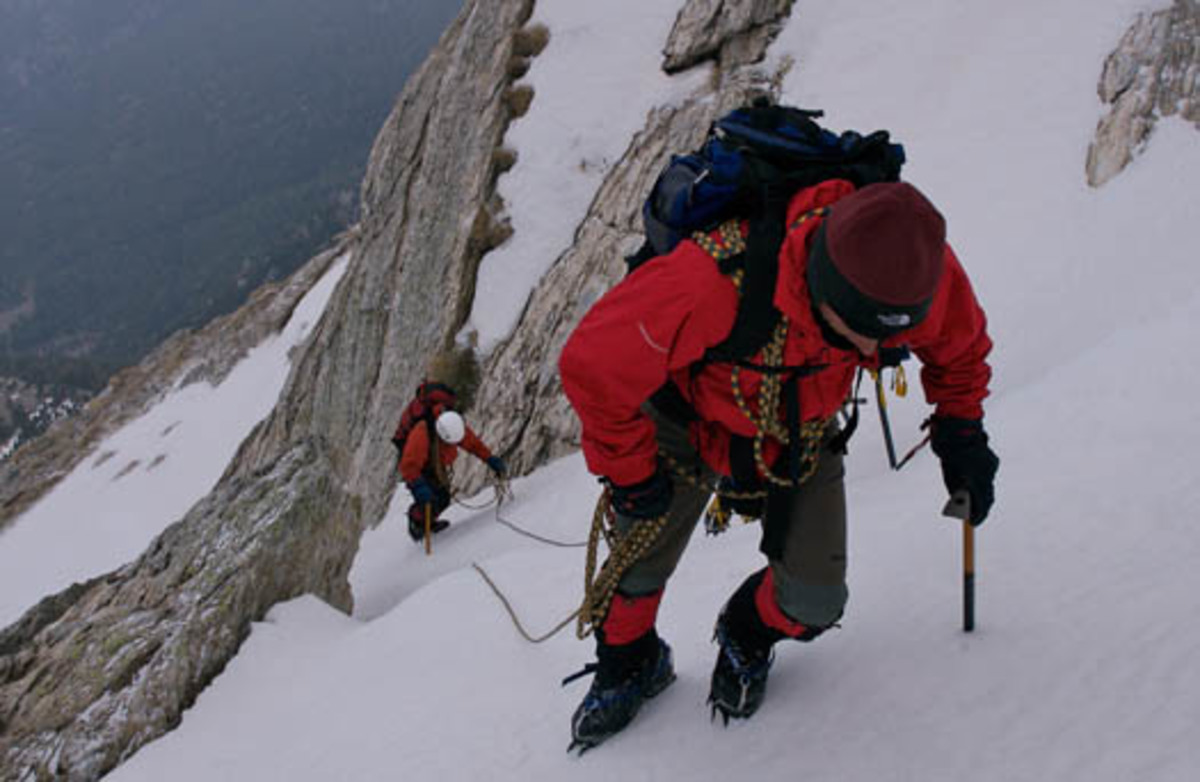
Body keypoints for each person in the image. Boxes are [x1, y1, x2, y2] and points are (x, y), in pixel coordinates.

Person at [558, 178, 998, 749]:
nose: (870, 356)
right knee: (635, 571)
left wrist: (961, 432)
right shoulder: (712, 281)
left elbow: (959, 347)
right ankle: (631, 661)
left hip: (800, 427)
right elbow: (593, 365)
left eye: (885, 341)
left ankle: (746, 630)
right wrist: (632, 474)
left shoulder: (914, 269)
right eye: (858, 335)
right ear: (823, 290)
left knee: (815, 600)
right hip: (687, 419)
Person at [398, 406, 506, 542]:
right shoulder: (422, 433)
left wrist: (490, 459)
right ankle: (417, 524)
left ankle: (429, 522)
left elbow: (473, 444)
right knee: (428, 500)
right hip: (420, 469)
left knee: (443, 498)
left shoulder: (454, 427)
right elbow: (409, 465)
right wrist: (418, 486)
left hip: (436, 462)